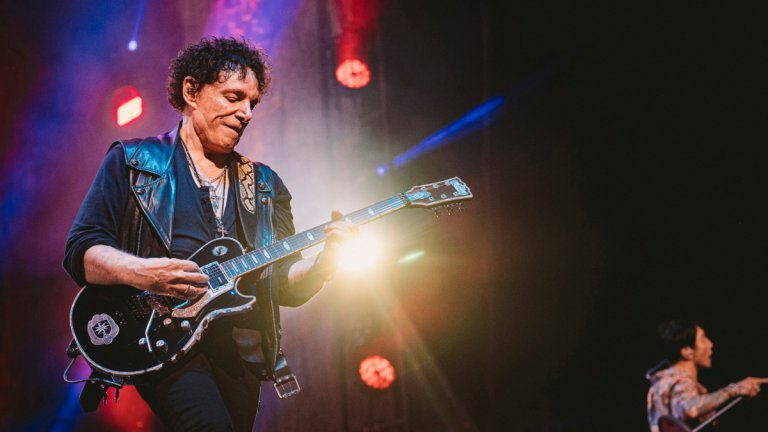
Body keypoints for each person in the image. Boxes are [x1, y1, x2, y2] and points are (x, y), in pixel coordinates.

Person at [63, 37, 359, 431]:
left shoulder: (265, 185)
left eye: (252, 103)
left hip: (242, 349)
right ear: (191, 92)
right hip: (161, 337)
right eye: (233, 97)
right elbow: (81, 250)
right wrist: (146, 273)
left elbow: (283, 284)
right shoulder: (133, 161)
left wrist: (324, 264)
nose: (246, 113)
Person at [646, 319, 768, 432]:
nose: (710, 344)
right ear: (687, 351)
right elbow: (690, 409)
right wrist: (736, 388)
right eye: (703, 339)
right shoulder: (679, 378)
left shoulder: (662, 383)